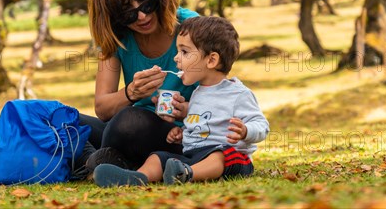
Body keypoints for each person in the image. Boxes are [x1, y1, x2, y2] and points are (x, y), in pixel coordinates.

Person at [92, 16, 270, 186]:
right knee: (159, 157)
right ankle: (138, 177)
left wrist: (246, 131)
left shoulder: (238, 94)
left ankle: (187, 174)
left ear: (211, 60)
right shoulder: (199, 93)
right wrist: (182, 133)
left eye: (184, 52)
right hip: (193, 154)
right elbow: (202, 124)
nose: (176, 58)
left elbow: (261, 124)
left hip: (232, 158)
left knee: (219, 155)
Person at [77, 0, 199, 174]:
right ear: (112, 15)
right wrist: (131, 93)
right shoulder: (117, 38)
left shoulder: (192, 26)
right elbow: (103, 109)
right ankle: (107, 160)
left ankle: (100, 161)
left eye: (146, 3)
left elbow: (222, 94)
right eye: (127, 12)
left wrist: (187, 111)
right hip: (124, 132)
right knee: (64, 119)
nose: (141, 16)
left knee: (129, 121)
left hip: (181, 134)